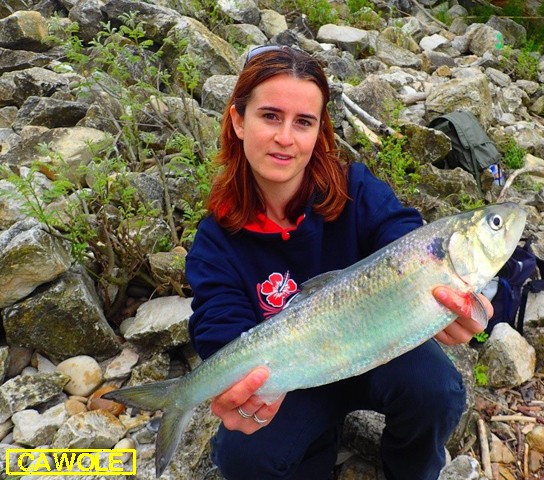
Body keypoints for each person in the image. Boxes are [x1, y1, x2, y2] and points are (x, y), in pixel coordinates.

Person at [186, 45, 490, 480]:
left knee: (436, 390)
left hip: (376, 350)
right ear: (238, 120)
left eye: (303, 122)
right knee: (244, 459)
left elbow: (406, 239)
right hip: (293, 375)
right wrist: (238, 389)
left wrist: (453, 298)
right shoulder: (216, 240)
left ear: (318, 131)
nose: (285, 138)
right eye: (270, 116)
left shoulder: (356, 190)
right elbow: (219, 327)